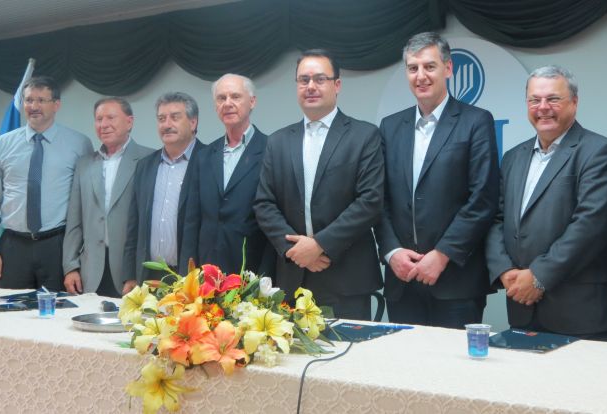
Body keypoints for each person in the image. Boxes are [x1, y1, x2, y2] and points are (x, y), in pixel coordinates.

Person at [485, 65, 607, 340]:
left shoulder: (600, 152)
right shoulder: (513, 157)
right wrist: (504, 270)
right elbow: (496, 219)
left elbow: (590, 226)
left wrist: (538, 276)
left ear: (574, 102)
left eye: (553, 99)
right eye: (534, 100)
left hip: (580, 311)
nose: (543, 107)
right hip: (522, 306)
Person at [374, 32, 499, 328]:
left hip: (455, 281)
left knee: (453, 360)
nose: (421, 76)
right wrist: (392, 252)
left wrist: (442, 255)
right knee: (404, 359)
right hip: (402, 279)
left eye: (429, 66)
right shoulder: (390, 127)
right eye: (413, 68)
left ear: (448, 68)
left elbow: (482, 198)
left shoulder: (476, 121)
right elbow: (378, 199)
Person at [254, 49, 384, 320]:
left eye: (320, 79)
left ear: (337, 85)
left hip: (347, 279)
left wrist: (318, 245)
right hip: (293, 277)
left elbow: (370, 202)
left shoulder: (364, 135)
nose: (310, 86)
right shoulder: (278, 141)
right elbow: (265, 204)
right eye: (304, 80)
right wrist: (296, 251)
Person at [0, 76, 92, 291]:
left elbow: (86, 203)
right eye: (29, 100)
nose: (34, 106)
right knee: (8, 309)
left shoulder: (79, 144)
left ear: (56, 105)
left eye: (41, 100)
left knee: (59, 309)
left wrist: (76, 258)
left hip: (57, 245)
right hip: (13, 246)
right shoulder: (2, 144)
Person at [179, 74, 274, 276]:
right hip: (207, 270)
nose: (227, 103)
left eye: (235, 96)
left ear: (252, 101)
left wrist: (267, 276)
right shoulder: (204, 156)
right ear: (216, 106)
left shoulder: (271, 150)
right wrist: (188, 274)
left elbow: (275, 217)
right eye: (221, 98)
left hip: (251, 268)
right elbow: (192, 220)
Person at [62, 97, 153, 297]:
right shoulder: (84, 164)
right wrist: (70, 267)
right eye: (99, 119)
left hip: (131, 272)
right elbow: (75, 221)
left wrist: (137, 272)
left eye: (111, 118)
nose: (104, 124)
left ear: (129, 122)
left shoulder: (149, 159)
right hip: (90, 272)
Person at [123, 92, 205, 283]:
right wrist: (130, 276)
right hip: (149, 276)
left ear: (193, 122)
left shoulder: (209, 160)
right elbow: (134, 225)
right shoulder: (145, 166)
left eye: (175, 117)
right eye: (161, 119)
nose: (167, 125)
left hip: (193, 276)